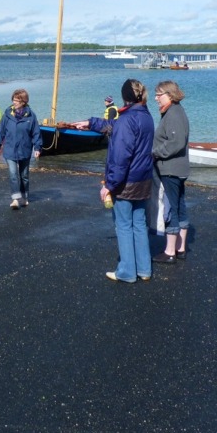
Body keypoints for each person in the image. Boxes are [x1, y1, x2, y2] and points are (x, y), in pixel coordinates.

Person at [76, 79, 154, 283]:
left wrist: (109, 186)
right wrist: (91, 123)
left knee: (123, 226)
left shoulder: (127, 119)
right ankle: (144, 269)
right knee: (138, 224)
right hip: (143, 179)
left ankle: (127, 272)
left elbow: (120, 158)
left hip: (126, 183)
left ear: (124, 97)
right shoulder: (145, 115)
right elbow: (115, 126)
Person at [152, 80, 191, 264]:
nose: (156, 98)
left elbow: (176, 143)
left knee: (170, 209)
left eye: (159, 95)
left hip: (171, 169)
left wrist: (154, 152)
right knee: (179, 206)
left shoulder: (173, 113)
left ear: (170, 94)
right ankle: (180, 248)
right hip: (178, 168)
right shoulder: (175, 111)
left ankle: (170, 252)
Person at [0, 88, 42, 209]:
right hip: (10, 150)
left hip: (25, 149)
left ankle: (24, 197)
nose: (14, 102)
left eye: (17, 100)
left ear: (23, 101)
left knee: (24, 176)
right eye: (13, 99)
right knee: (13, 174)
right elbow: (0, 131)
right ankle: (15, 199)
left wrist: (37, 148)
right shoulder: (7, 115)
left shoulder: (31, 116)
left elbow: (36, 133)